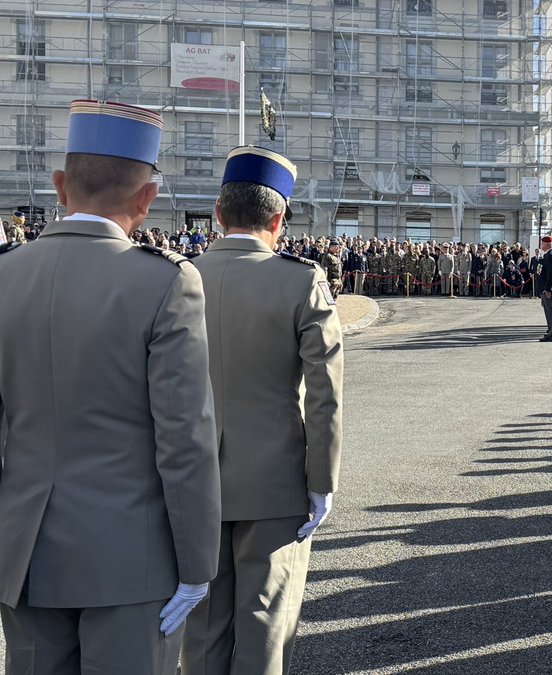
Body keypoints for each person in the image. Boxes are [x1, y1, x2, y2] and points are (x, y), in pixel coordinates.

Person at [0, 99, 221, 672]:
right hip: (130, 560)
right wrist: (198, 566)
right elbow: (185, 438)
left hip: (24, 554)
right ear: (147, 199)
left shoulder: (5, 274)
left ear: (59, 186)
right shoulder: (165, 282)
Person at [183, 145, 343, 675]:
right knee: (265, 628)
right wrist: (321, 482)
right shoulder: (301, 280)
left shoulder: (177, 276)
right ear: (278, 220)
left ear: (217, 213)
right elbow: (324, 393)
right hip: (275, 482)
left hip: (191, 479)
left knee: (201, 631)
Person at [535, 235, 552, 342]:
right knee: (549, 311)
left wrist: (548, 289)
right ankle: (551, 331)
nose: (541, 245)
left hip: (549, 289)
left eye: (542, 243)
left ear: (546, 244)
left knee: (551, 311)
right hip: (547, 288)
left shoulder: (550, 255)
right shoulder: (550, 254)